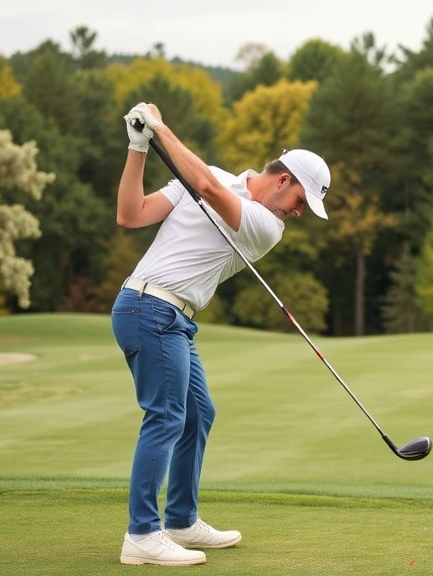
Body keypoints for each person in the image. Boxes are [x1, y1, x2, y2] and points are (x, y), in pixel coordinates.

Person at [111, 102, 330, 566]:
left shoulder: (267, 226)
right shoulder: (205, 173)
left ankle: (181, 519)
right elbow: (131, 215)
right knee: (167, 417)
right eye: (301, 202)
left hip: (175, 318)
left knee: (198, 413)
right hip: (148, 307)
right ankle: (142, 535)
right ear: (284, 179)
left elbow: (207, 187)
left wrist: (159, 130)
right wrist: (138, 148)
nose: (300, 213)